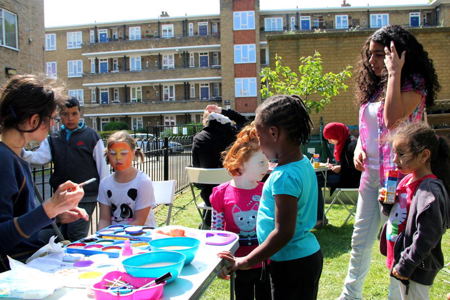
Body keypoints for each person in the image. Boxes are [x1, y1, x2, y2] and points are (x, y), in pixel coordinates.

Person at [338, 25, 440, 300]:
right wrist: (359, 144)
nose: (371, 61)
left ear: (398, 54)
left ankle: (397, 297)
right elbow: (370, 126)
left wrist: (394, 73)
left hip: (402, 178)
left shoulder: (414, 83)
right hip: (371, 176)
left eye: (379, 55)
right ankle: (350, 295)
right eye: (369, 55)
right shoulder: (372, 87)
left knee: (398, 242)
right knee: (360, 240)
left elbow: (392, 119)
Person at [219, 95, 323, 300]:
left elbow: (284, 232)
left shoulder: (284, 178)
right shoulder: (301, 164)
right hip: (302, 258)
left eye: (259, 136)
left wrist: (244, 261)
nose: (259, 143)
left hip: (291, 265)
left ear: (273, 133)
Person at [0, 74, 87, 272]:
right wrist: (49, 209)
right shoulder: (4, 159)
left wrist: (55, 215)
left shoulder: (15, 156)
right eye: (52, 119)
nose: (55, 125)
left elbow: (18, 219)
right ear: (34, 120)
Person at [23, 97, 108, 241]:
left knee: (76, 234)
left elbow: (103, 167)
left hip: (86, 195)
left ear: (80, 113)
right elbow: (40, 158)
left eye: (74, 113)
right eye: (65, 114)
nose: (70, 118)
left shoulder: (91, 136)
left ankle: (76, 261)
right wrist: (19, 151)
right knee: (62, 234)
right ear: (59, 115)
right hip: (62, 195)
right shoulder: (54, 137)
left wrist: (104, 196)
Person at [380, 123, 449, 300]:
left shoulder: (429, 190)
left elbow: (428, 234)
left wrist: (407, 264)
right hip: (403, 259)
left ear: (424, 155)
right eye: (394, 153)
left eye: (401, 154)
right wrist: (388, 204)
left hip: (416, 265)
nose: (395, 160)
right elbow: (399, 216)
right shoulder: (406, 181)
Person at [210, 123, 271, 300]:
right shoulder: (220, 194)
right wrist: (219, 262)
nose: (266, 167)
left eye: (267, 161)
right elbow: (217, 233)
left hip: (265, 263)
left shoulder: (268, 190)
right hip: (238, 264)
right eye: (261, 162)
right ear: (241, 162)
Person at [192, 104, 248, 228]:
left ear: (207, 121)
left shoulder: (199, 139)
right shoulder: (235, 136)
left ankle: (207, 224)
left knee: (209, 189)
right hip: (235, 193)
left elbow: (197, 172)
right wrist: (222, 110)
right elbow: (245, 122)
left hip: (209, 196)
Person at [98, 130, 156, 229]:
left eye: (123, 153)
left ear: (133, 154)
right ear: (107, 155)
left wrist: (117, 236)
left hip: (141, 236)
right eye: (113, 153)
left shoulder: (143, 182)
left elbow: (139, 221)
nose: (118, 158)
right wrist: (101, 236)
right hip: (114, 238)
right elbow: (104, 219)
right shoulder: (105, 183)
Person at [315, 122, 361, 227]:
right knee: (315, 178)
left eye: (330, 138)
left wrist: (340, 168)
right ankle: (318, 217)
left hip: (351, 179)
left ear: (337, 134)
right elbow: (344, 164)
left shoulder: (351, 145)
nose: (329, 141)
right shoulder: (343, 142)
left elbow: (355, 167)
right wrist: (334, 166)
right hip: (344, 175)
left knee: (315, 181)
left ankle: (319, 218)